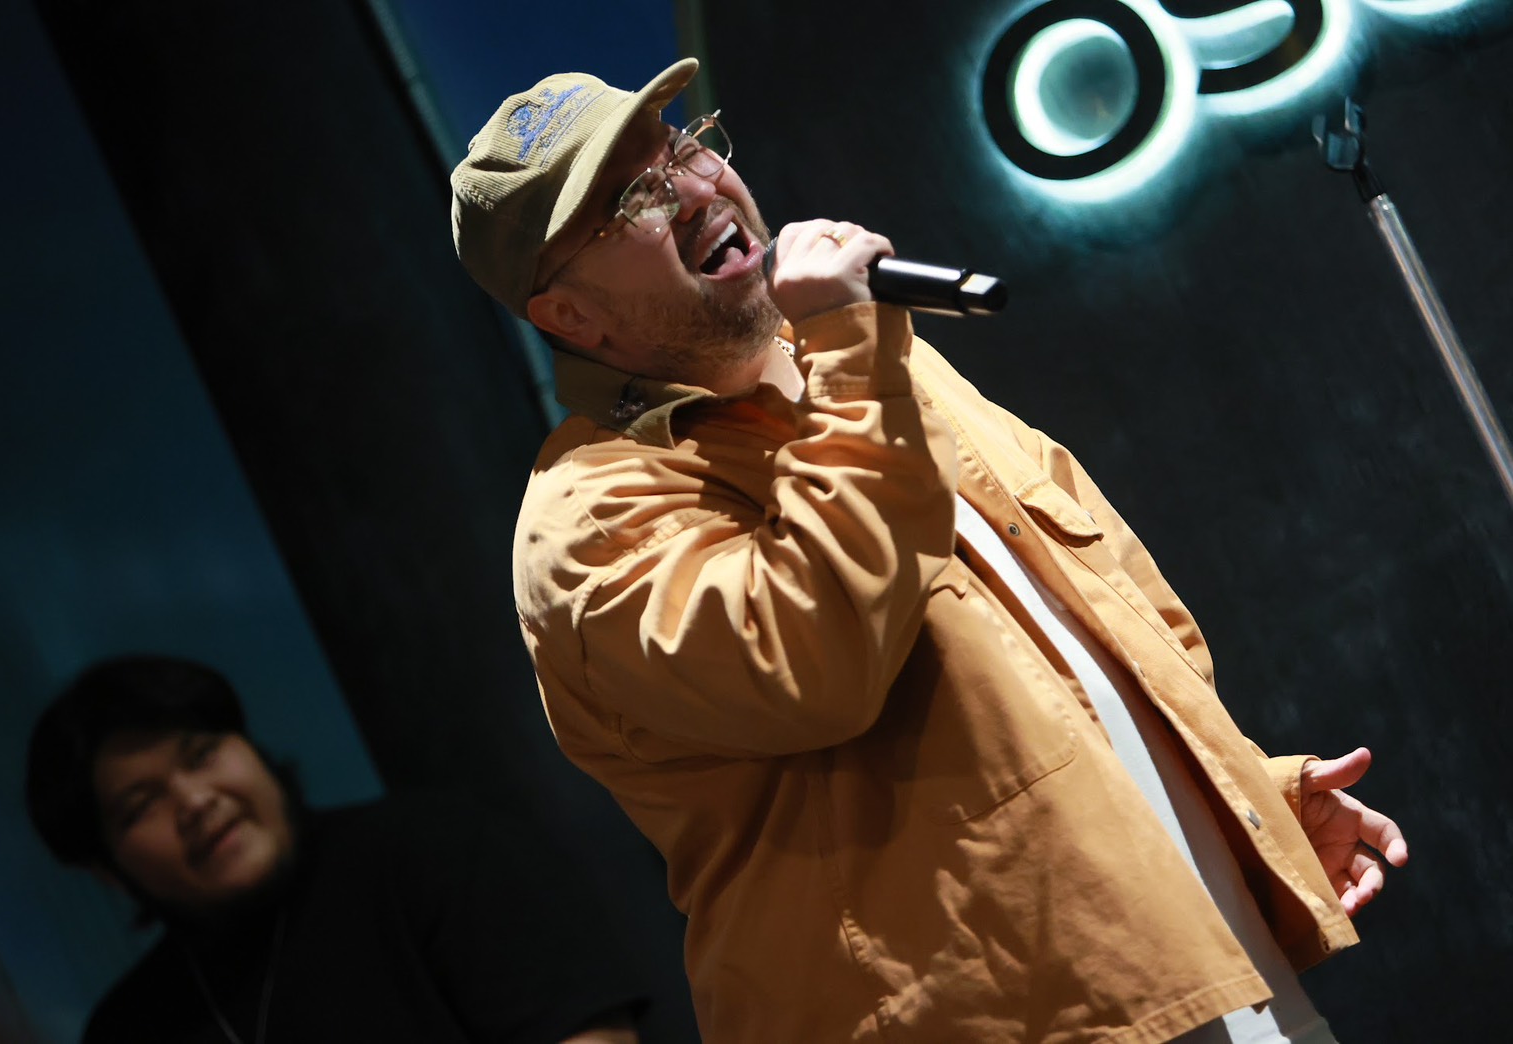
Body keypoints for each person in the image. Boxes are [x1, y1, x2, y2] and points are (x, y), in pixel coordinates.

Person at [447, 57, 1409, 1043]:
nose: (696, 188)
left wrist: (1241, 794)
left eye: (684, 146)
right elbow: (814, 661)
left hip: (1201, 963)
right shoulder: (592, 517)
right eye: (635, 199)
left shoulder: (859, 365)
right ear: (569, 316)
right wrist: (850, 350)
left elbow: (1088, 637)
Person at [25, 655, 645, 1044]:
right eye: (141, 805)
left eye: (202, 754)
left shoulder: (428, 851)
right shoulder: (130, 1028)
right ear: (104, 869)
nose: (194, 801)